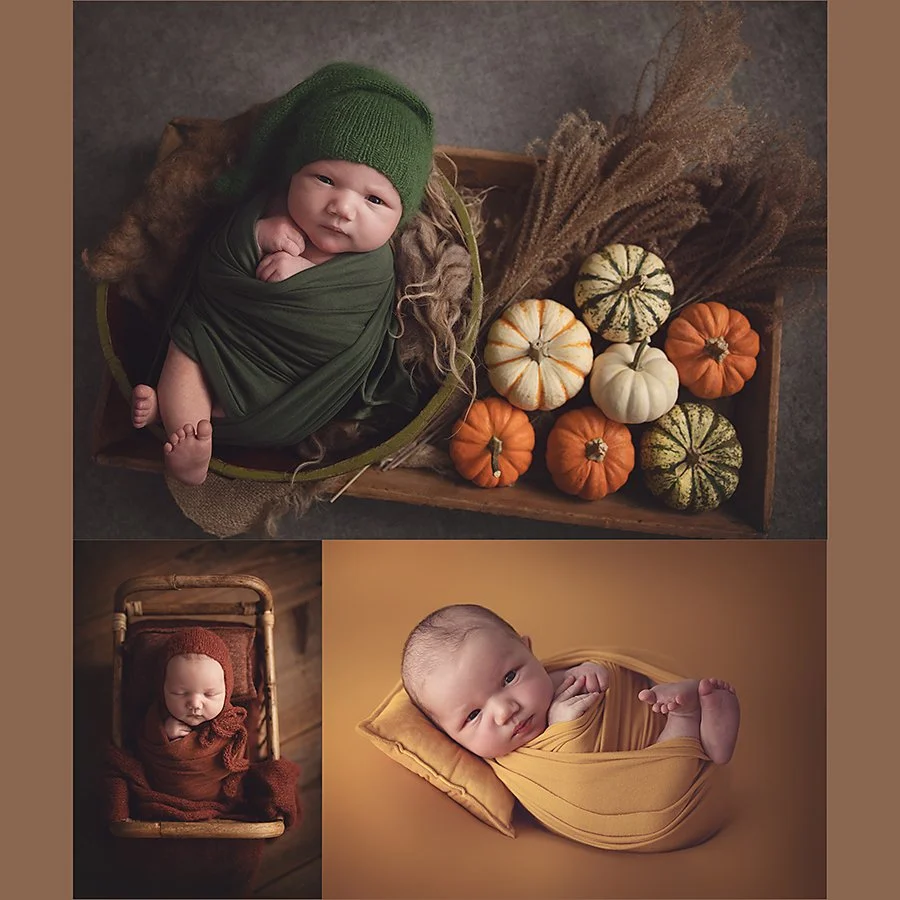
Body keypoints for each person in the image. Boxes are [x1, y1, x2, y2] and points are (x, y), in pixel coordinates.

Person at [130, 62, 434, 484]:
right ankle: (184, 432)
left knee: (203, 359)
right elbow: (215, 263)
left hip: (293, 380)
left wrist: (303, 274)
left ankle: (180, 419)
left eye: (375, 200)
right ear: (293, 174)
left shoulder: (376, 267)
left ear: (401, 219)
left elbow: (352, 330)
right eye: (325, 179)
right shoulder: (269, 209)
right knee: (188, 348)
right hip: (224, 333)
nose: (342, 208)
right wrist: (256, 234)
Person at [401, 603, 740, 763]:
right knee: (667, 766)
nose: (505, 711)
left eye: (508, 678)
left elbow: (599, 681)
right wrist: (563, 729)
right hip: (640, 774)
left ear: (528, 650)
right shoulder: (505, 762)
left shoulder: (552, 682)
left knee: (647, 703)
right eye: (473, 715)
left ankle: (686, 715)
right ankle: (688, 720)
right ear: (449, 736)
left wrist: (595, 671)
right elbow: (562, 782)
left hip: (643, 730)